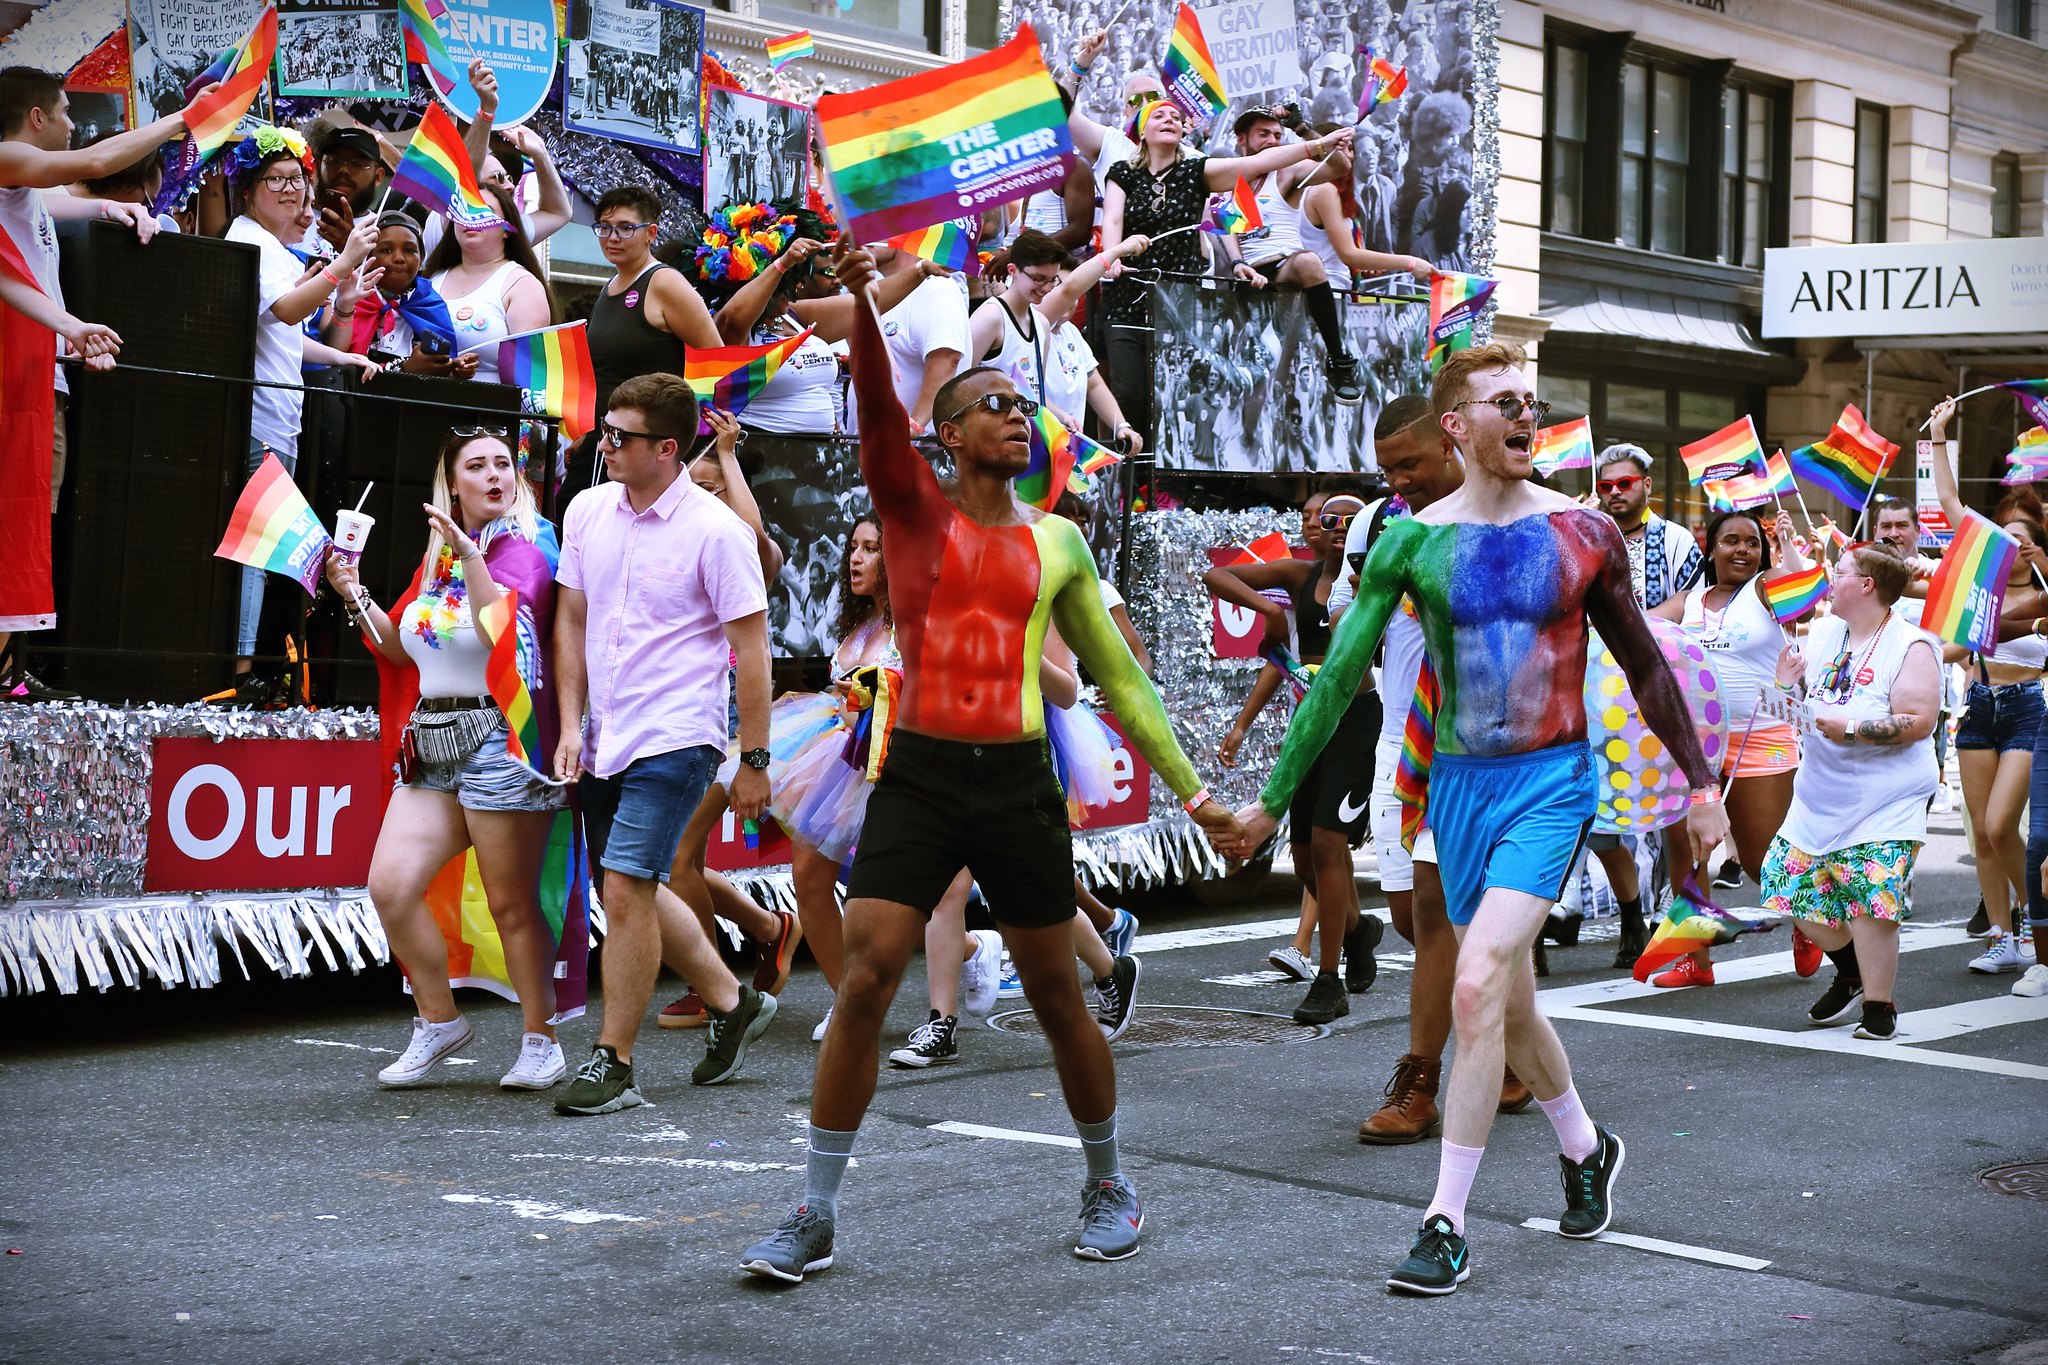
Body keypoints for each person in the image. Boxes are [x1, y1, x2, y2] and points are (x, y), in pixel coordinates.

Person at [739, 240, 1243, 1282]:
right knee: (868, 980)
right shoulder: (910, 515)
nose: (1019, 416)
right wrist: (872, 305)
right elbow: (876, 405)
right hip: (919, 774)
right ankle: (814, 1208)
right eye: (996, 404)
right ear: (948, 433)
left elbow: (1120, 680)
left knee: (1060, 995)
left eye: (1025, 404)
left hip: (1016, 782)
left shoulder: (1057, 541)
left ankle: (1108, 1181)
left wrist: (1196, 796)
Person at [1230, 342, 1727, 1296]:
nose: (1525, 415)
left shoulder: (1585, 532)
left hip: (1552, 781)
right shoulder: (1413, 541)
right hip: (1456, 789)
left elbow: (1647, 665)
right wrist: (1269, 797)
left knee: (1476, 983)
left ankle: (1444, 1222)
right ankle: (1586, 1145)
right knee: (1507, 999)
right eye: (1505, 402)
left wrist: (1700, 782)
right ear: (1457, 424)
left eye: (1532, 402)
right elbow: (1338, 677)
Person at [550, 373, 777, 1112]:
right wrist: (571, 724)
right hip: (607, 733)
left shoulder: (717, 531)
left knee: (623, 885)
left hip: (678, 733)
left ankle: (612, 1059)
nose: (605, 444)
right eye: (606, 431)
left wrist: (753, 758)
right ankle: (731, 1001)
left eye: (621, 436)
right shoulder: (587, 509)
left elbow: (754, 645)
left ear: (668, 448)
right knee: (634, 889)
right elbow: (572, 621)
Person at [322, 429, 569, 1088]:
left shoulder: (529, 548)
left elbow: (503, 628)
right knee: (391, 885)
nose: (494, 475)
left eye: (502, 464)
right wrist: (354, 593)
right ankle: (439, 1020)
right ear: (452, 484)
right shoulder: (437, 560)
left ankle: (541, 1039)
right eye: (477, 466)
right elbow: (400, 648)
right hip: (431, 743)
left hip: (499, 741)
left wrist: (470, 557)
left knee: (510, 903)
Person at [1326, 395, 1514, 1141]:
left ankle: (1421, 1082)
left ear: (1451, 441)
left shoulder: (1503, 518)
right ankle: (1509, 1050)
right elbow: (1346, 624)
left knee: (1439, 912)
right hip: (1397, 746)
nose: (1399, 479)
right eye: (1387, 469)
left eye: (1410, 463)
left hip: (1481, 751)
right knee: (1412, 916)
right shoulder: (1383, 527)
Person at [0, 65, 203, 698]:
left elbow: (56, 202)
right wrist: (181, 121)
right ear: (35, 118)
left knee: (28, 520)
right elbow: (94, 159)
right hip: (14, 382)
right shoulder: (6, 157)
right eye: (63, 111)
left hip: (37, 379)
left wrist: (110, 205)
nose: (71, 124)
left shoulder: (20, 187)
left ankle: (9, 673)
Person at [1206, 490, 1383, 1023]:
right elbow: (1219, 576)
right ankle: (1357, 929)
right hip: (1309, 726)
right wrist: (1268, 610)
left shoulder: (1376, 583)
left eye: (1352, 522)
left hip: (1356, 721)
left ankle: (1328, 980)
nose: (1337, 527)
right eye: (1330, 518)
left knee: (1330, 846)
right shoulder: (1300, 576)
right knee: (1303, 858)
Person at [223, 128, 380, 693]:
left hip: (277, 421)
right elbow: (288, 311)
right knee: (256, 550)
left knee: (268, 551)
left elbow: (287, 333)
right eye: (277, 180)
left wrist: (342, 347)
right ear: (248, 189)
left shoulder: (273, 247)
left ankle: (257, 666)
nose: (292, 191)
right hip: (259, 422)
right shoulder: (252, 241)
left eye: (297, 180)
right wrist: (342, 266)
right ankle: (242, 674)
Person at [1764, 543, 1941, 1039]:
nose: (1828, 576)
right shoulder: (1823, 632)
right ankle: (1851, 970)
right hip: (1820, 795)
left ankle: (1880, 1009)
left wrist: (1852, 727)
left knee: (1870, 899)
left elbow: (1918, 721)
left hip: (1886, 797)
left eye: (1837, 570)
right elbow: (1803, 706)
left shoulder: (1911, 645)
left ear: (1866, 585)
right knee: (1785, 883)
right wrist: (1784, 686)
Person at [1099, 101, 1354, 438]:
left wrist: (1312, 144)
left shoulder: (1197, 172)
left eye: (1176, 116)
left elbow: (1259, 163)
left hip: (1180, 304)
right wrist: (1112, 256)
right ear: (1141, 132)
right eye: (1158, 115)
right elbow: (1113, 218)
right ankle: (1123, 484)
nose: (1170, 120)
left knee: (1174, 400)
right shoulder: (1122, 172)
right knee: (1128, 396)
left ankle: (1164, 489)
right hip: (1128, 299)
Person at [1926, 396, 2045, 977]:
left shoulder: (2046, 594)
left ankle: (2035, 920)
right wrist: (1938, 436)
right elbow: (1950, 504)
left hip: (2030, 709)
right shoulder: (1985, 597)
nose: (2014, 542)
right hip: (1978, 707)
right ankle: (2005, 937)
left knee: (2002, 825)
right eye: (2005, 534)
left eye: (2024, 534)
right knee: (1982, 838)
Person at [1589, 442, 1705, 964]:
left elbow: (1686, 602)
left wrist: (1632, 633)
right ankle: (1631, 914)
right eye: (1606, 485)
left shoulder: (1675, 539)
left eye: (1624, 484)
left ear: (1647, 486)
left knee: (1668, 819)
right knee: (1599, 818)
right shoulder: (1585, 532)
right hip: (1594, 693)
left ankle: (1673, 928)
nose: (1615, 493)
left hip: (1656, 687)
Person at [686, 205, 931, 436]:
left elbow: (869, 301)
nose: (799, 285)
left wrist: (921, 270)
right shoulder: (728, 328)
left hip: (819, 461)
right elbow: (736, 316)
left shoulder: (793, 316)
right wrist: (783, 263)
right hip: (761, 460)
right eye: (792, 279)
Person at [1223, 106, 1399, 403]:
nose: (1272, 141)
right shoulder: (1227, 175)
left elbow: (1338, 167)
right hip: (1243, 275)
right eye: (1263, 134)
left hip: (1284, 270)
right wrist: (1237, 262)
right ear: (1243, 139)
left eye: (1277, 135)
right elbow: (1221, 224)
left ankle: (1339, 362)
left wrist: (1302, 128)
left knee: (1308, 261)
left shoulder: (1288, 171)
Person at [564, 186, 721, 505]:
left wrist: (683, 436)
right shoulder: (611, 286)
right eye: (604, 228)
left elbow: (717, 362)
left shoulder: (664, 283)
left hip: (643, 443)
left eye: (625, 228)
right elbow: (603, 372)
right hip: (606, 436)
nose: (612, 237)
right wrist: (585, 433)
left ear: (650, 233)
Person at [421, 180, 552, 384]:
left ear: (507, 229)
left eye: (484, 211)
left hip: (488, 410)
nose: (472, 218)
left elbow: (529, 375)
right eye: (464, 210)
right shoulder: (432, 279)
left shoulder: (521, 284)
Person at [321, 212, 458, 371]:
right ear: (368, 258)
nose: (399, 258)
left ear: (421, 261)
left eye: (410, 250)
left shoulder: (431, 304)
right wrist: (345, 306)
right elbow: (334, 357)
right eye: (386, 250)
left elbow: (442, 365)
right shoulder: (349, 294)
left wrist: (455, 369)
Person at [302, 126, 388, 256]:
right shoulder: (294, 219)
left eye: (357, 163)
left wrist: (352, 252)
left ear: (378, 176)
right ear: (318, 167)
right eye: (332, 161)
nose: (343, 170)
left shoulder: (383, 231)